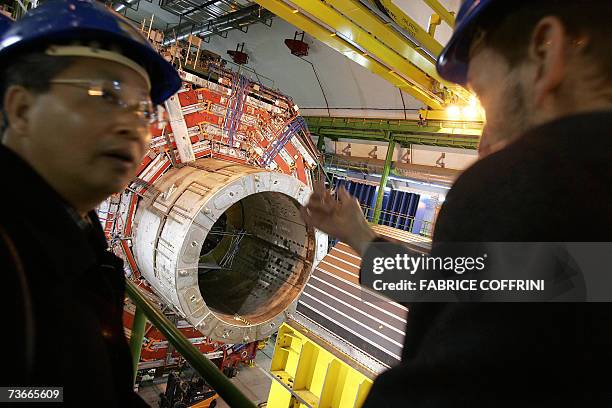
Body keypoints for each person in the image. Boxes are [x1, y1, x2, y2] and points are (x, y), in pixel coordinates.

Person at [301, 0, 612, 406]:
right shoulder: (587, 240)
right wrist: (359, 234)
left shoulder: (539, 182)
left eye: (484, 98)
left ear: (544, 51)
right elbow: (473, 283)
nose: (482, 144)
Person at [0, 0, 181, 406]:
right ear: (21, 108)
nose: (133, 126)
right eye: (104, 93)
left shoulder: (78, 232)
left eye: (143, 109)